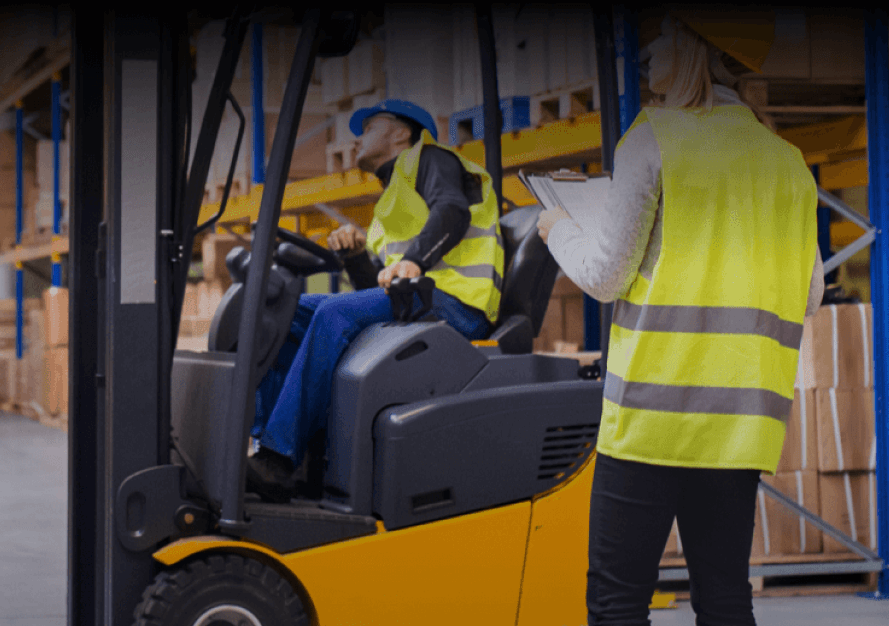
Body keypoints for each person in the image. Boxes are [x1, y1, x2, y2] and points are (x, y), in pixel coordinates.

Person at [536, 9, 826, 626]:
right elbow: (811, 295)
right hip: (740, 423)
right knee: (725, 600)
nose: (648, 52)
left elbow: (606, 275)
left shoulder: (655, 138)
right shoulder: (788, 162)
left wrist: (558, 228)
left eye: (662, 35)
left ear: (697, 47)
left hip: (653, 416)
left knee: (617, 603)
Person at [245, 99, 506, 502]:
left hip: (457, 304)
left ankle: (278, 460)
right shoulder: (391, 199)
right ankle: (264, 443)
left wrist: (415, 262)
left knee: (332, 313)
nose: (358, 136)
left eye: (368, 127)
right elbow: (379, 288)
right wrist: (354, 256)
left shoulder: (433, 161)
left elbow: (453, 212)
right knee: (282, 311)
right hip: (420, 300)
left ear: (401, 133)